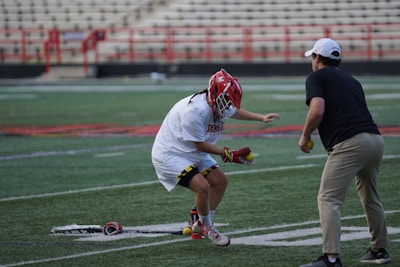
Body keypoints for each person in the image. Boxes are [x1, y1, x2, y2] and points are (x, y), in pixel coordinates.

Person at [151, 69, 280, 246]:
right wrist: (229, 154)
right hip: (171, 154)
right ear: (214, 93)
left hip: (190, 150)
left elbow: (233, 111)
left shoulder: (218, 101)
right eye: (226, 101)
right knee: (202, 187)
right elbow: (200, 144)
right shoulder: (195, 111)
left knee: (220, 182)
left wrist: (261, 118)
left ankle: (199, 223)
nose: (228, 106)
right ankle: (206, 227)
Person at [298, 38, 390, 267]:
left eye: (313, 57)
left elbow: (317, 111)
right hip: (375, 140)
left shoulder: (316, 76)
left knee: (328, 198)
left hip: (349, 143)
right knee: (371, 197)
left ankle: (331, 258)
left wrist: (305, 135)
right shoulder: (353, 81)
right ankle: (379, 250)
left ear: (317, 58)